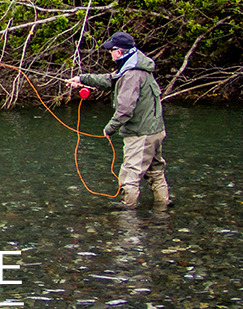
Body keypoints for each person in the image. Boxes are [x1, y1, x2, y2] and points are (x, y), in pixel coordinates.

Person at [67, 31, 171, 209]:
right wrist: (82, 79)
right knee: (155, 171)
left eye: (111, 50)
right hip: (155, 131)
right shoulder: (135, 65)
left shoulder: (131, 75)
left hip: (140, 133)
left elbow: (125, 110)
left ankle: (127, 215)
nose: (110, 53)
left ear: (120, 52)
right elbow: (111, 80)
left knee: (130, 176)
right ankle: (162, 209)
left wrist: (109, 129)